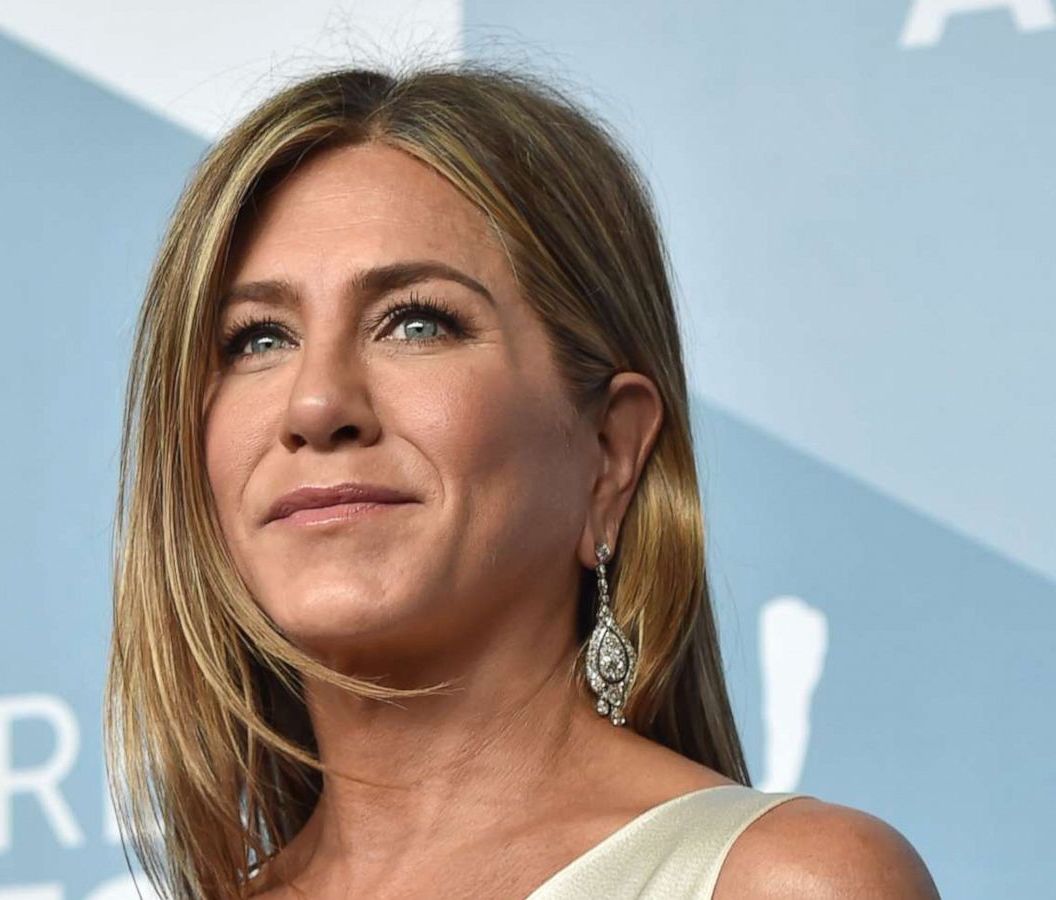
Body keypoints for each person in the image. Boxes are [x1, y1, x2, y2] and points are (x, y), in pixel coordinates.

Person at [103, 62, 940, 899]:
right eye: (257, 339)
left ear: (610, 451)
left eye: (417, 323)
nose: (317, 403)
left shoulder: (790, 883)